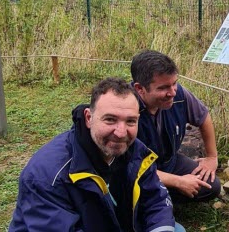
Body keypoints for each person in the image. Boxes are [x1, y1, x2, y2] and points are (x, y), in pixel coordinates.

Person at [9, 77, 178, 232]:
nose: (121, 133)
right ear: (89, 118)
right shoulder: (46, 175)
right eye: (110, 119)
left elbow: (156, 199)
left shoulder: (136, 152)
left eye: (130, 121)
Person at [131, 50, 221, 203]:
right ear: (140, 89)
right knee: (132, 192)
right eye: (163, 88)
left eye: (174, 83)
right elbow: (127, 167)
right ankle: (158, 200)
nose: (172, 92)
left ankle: (162, 197)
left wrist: (212, 157)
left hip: (168, 162)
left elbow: (204, 117)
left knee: (211, 186)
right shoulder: (125, 110)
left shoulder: (180, 95)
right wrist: (179, 182)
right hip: (136, 173)